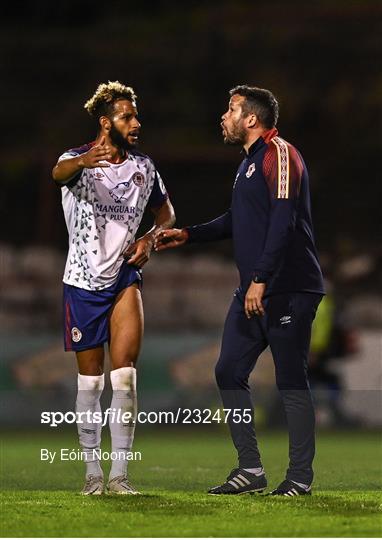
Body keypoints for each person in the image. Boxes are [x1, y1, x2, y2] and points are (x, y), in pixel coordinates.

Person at [155, 85, 325, 497]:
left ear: (252, 119)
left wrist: (261, 277)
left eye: (230, 109)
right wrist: (188, 234)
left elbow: (283, 220)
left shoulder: (279, 154)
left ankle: (300, 476)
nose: (224, 116)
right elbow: (238, 219)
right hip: (254, 290)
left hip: (288, 288)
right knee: (228, 371)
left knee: (290, 381)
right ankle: (250, 468)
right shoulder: (248, 163)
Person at [52, 81, 175, 495]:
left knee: (125, 379)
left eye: (136, 115)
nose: (136, 123)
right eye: (127, 116)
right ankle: (92, 475)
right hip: (83, 284)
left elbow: (167, 214)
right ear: (107, 122)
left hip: (124, 279)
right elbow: (58, 173)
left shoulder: (144, 167)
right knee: (91, 384)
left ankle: (120, 476)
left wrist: (151, 239)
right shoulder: (76, 161)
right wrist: (87, 159)